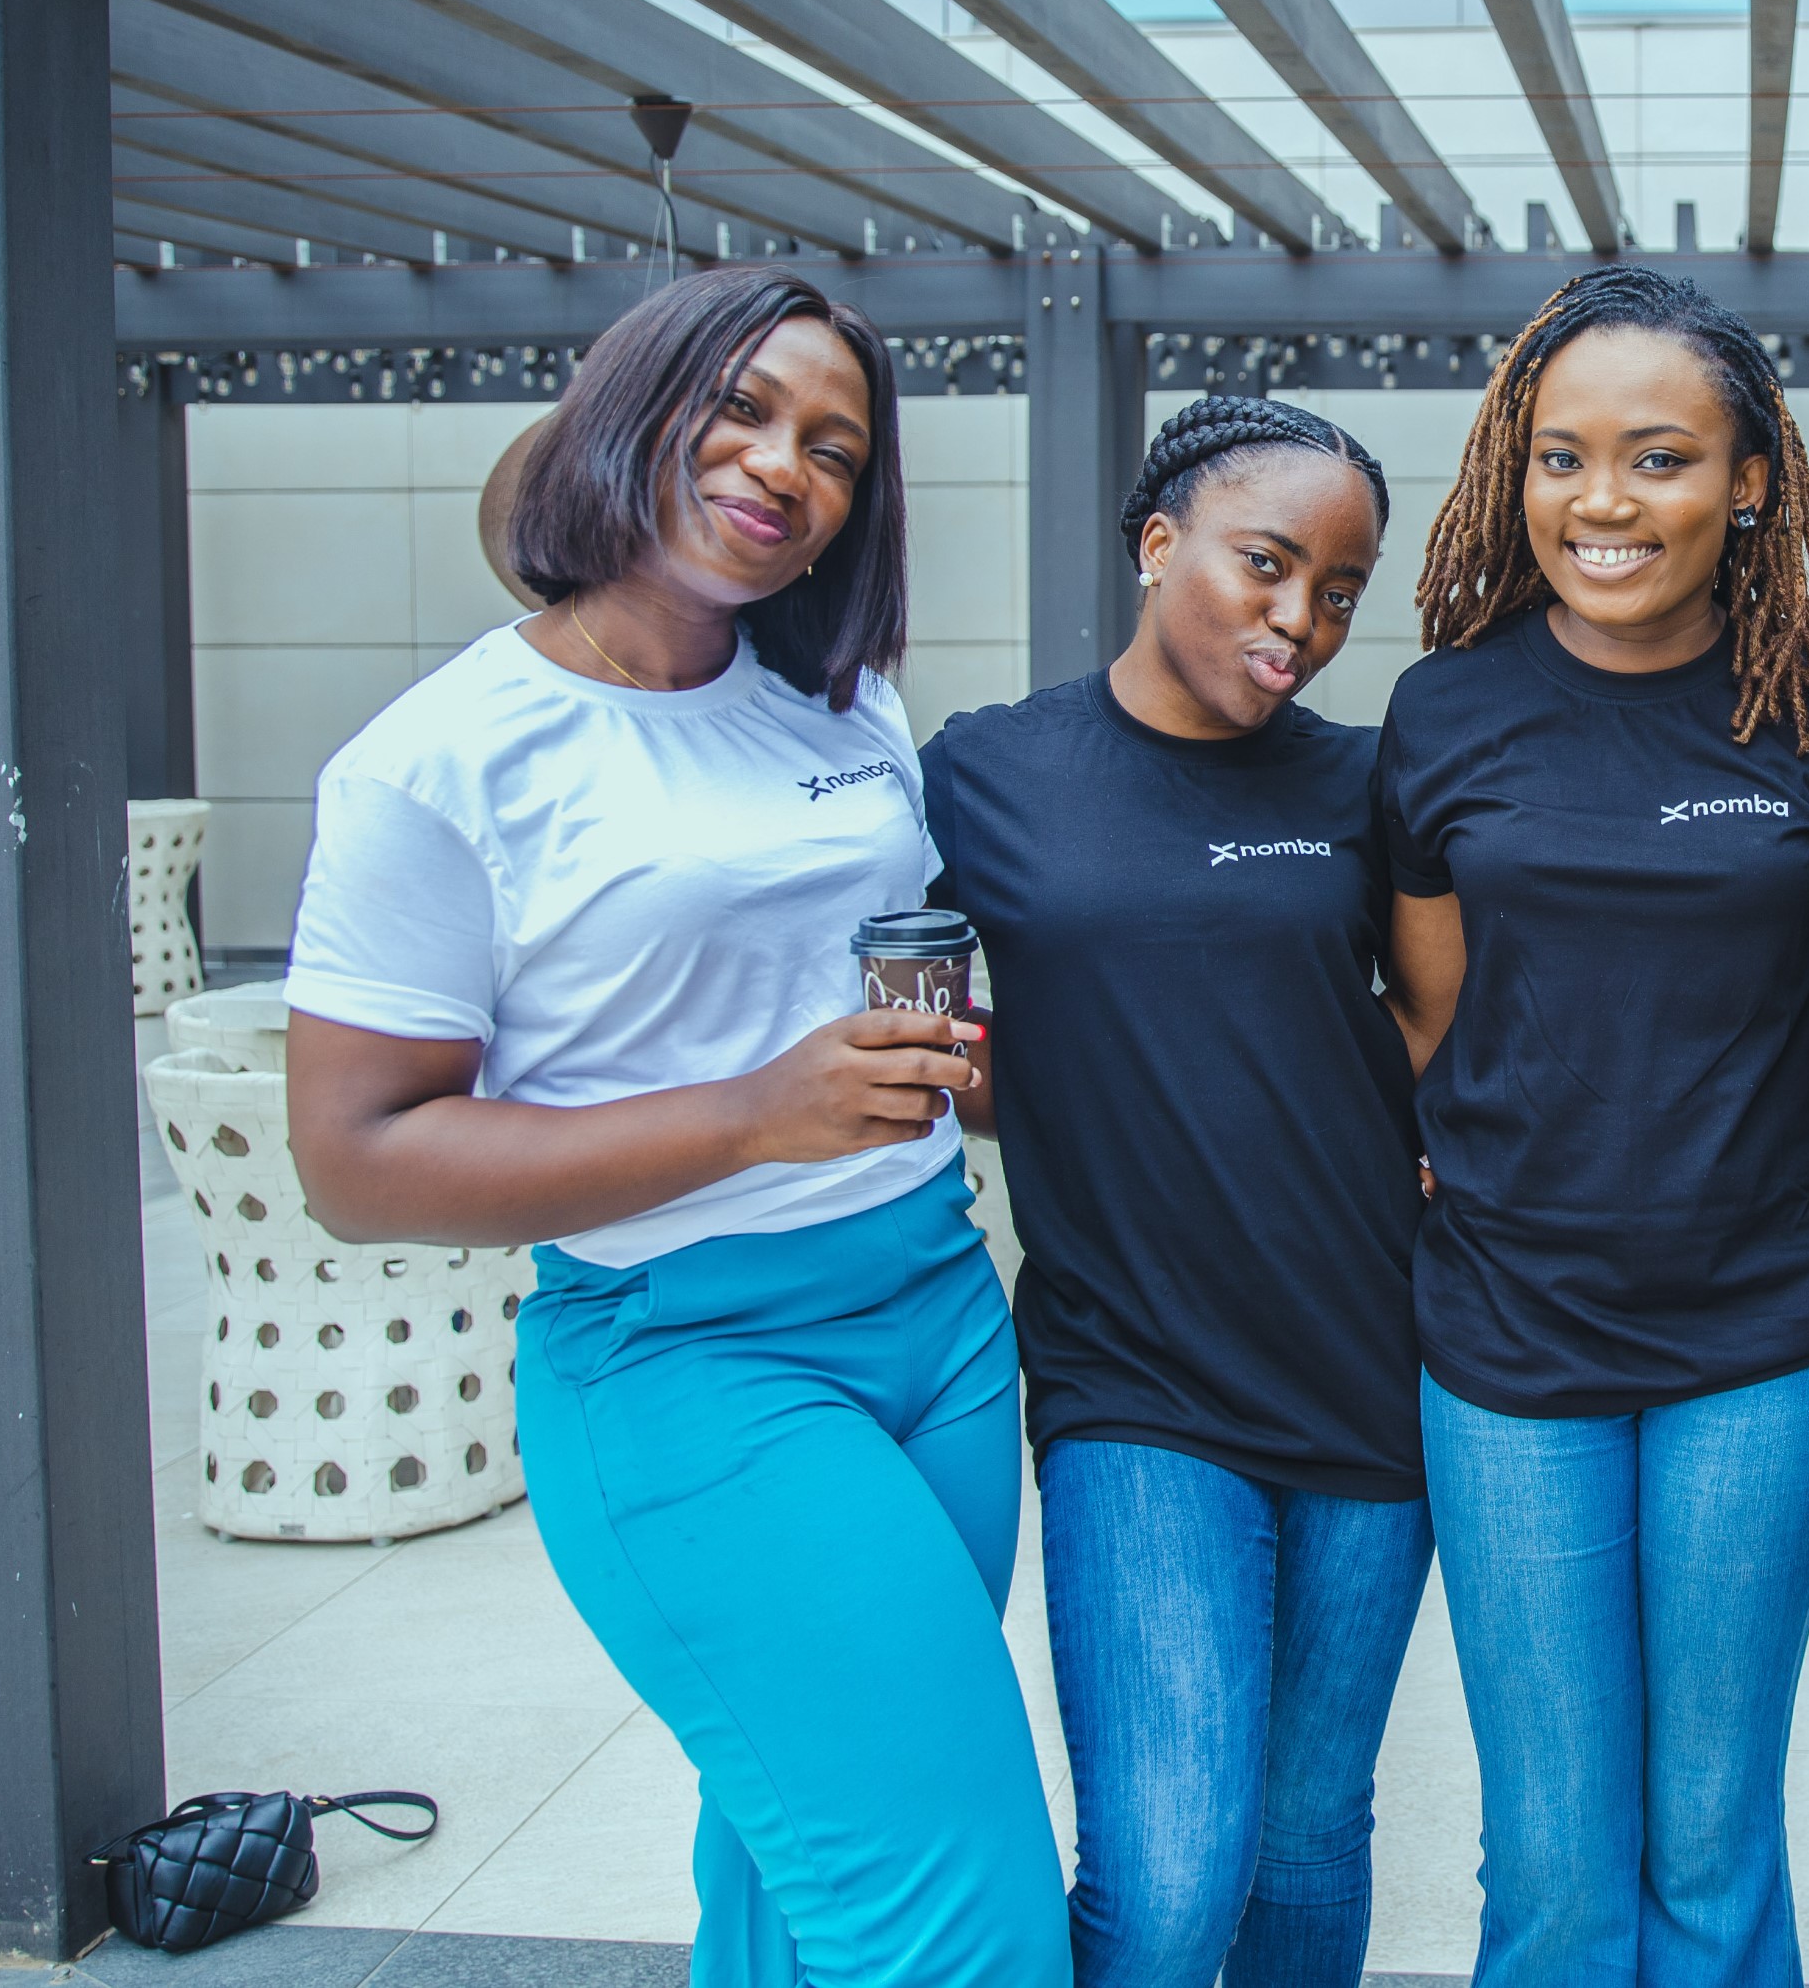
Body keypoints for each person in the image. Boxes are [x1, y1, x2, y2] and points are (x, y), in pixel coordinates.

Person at [278, 266, 1063, 1988]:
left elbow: (895, 1002)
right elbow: (356, 1160)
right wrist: (751, 1118)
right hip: (693, 1367)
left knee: (796, 1883)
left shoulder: (838, 701)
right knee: (965, 1925)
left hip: (935, 1321)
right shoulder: (440, 764)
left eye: (838, 449)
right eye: (750, 410)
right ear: (637, 401)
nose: (788, 466)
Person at [1376, 265, 1809, 1988]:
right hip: (1511, 1343)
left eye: (1659, 457)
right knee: (1557, 1862)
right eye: (1562, 456)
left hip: (1767, 1344)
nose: (1604, 502)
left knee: (1712, 1841)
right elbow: (1440, 1014)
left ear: (1750, 480)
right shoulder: (1445, 711)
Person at [917, 395, 1431, 1988]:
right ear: (1158, 543)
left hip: (1375, 1371)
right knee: (1167, 1872)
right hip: (1132, 1378)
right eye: (1267, 564)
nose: (1302, 620)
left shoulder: (1366, 784)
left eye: (1340, 590)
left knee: (1305, 1848)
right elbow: (928, 1033)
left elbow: (1436, 1030)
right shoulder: (991, 772)